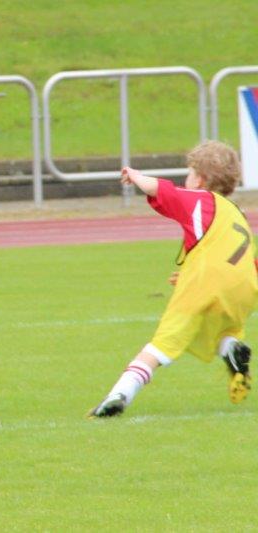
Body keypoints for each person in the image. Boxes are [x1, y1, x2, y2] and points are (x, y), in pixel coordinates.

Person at [89, 141, 257, 418]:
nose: (187, 178)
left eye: (190, 172)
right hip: (246, 286)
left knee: (162, 343)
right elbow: (235, 259)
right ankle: (231, 348)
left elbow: (162, 190)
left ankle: (120, 394)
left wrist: (136, 176)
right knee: (221, 327)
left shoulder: (199, 199)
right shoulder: (236, 214)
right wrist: (192, 274)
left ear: (200, 179)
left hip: (207, 283)